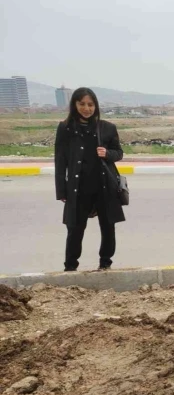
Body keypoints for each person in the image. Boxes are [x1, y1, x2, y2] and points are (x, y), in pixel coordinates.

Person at [54, 87, 125, 272]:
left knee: (108, 227)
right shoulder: (66, 128)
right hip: (78, 188)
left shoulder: (107, 128)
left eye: (90, 104)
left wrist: (107, 153)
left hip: (104, 187)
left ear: (96, 106)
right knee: (75, 229)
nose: (87, 108)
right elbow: (60, 161)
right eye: (82, 104)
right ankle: (70, 267)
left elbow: (119, 153)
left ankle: (105, 263)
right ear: (75, 105)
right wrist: (62, 190)